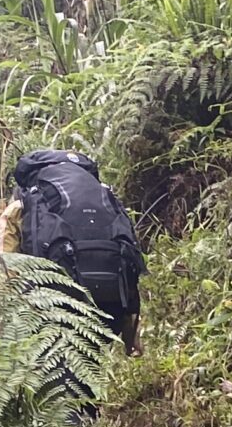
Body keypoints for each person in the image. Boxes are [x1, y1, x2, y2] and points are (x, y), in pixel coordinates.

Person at [9, 149, 143, 353]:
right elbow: (129, 260)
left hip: (49, 310)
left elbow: (5, 269)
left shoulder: (25, 201)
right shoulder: (106, 199)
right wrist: (131, 334)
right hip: (108, 311)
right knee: (89, 371)